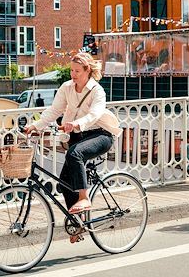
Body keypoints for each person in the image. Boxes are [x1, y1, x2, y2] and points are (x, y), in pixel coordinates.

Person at [23, 52, 121, 242]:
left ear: (87, 71)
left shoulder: (97, 91)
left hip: (100, 134)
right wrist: (35, 125)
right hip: (77, 135)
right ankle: (78, 223)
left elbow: (94, 115)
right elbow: (54, 110)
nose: (73, 74)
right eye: (71, 70)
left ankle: (84, 197)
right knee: (64, 183)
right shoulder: (67, 87)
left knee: (75, 154)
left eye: (77, 71)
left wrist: (76, 124)